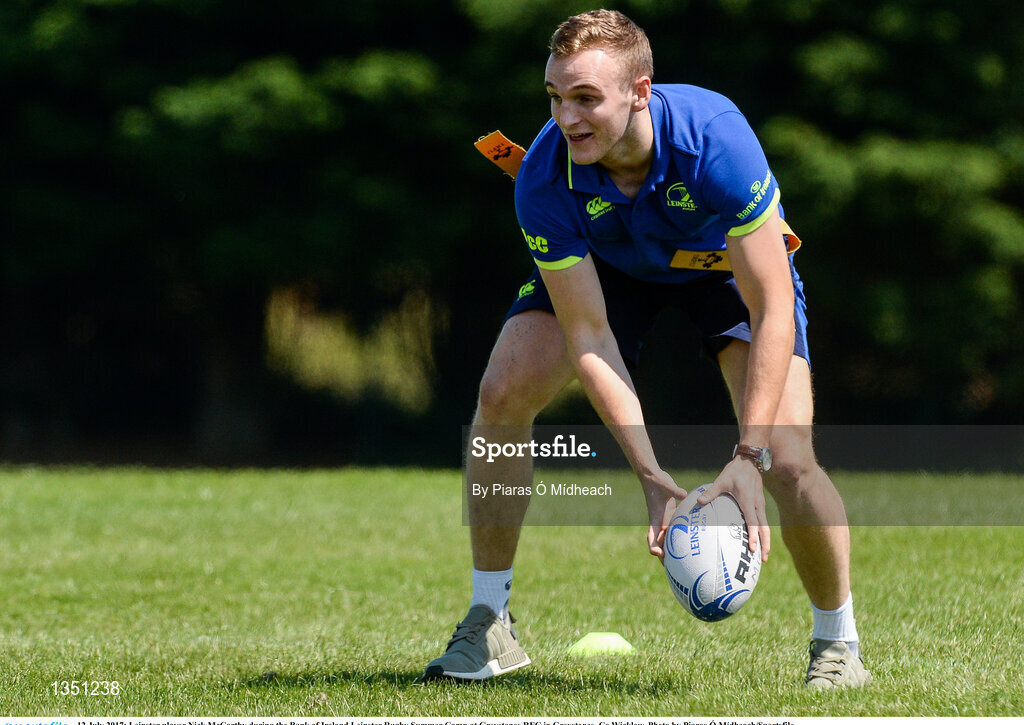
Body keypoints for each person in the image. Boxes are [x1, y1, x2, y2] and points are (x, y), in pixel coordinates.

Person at [422, 9, 870, 689]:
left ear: (639, 91)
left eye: (584, 98)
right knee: (500, 392)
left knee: (789, 455)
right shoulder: (546, 175)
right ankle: (490, 621)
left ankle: (838, 644)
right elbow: (590, 336)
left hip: (724, 273)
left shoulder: (713, 138)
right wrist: (653, 480)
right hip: (611, 270)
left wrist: (747, 457)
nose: (565, 118)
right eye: (554, 97)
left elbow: (771, 303)